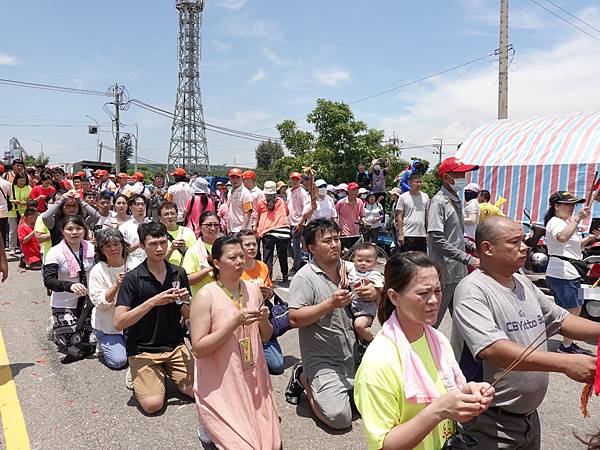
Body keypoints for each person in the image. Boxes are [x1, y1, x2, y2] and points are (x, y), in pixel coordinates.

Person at [451, 216, 600, 449]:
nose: (524, 247)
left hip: (528, 419)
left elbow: (561, 320)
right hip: (488, 421)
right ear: (487, 249)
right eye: (514, 242)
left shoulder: (521, 281)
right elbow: (493, 349)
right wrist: (565, 363)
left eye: (523, 240)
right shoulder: (472, 290)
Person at [354, 251, 493, 450]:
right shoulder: (379, 362)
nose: (434, 300)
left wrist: (467, 392)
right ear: (394, 297)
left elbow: (444, 391)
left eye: (437, 290)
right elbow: (383, 445)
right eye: (423, 293)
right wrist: (438, 411)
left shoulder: (437, 339)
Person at [286, 218, 380, 429]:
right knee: (339, 418)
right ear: (311, 248)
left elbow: (383, 289)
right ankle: (303, 377)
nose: (335, 244)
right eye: (327, 241)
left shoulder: (353, 268)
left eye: (336, 239)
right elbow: (294, 318)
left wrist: (376, 292)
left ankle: (344, 388)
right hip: (323, 360)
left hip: (354, 355)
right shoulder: (305, 277)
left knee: (381, 407)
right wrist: (329, 304)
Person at [190, 235, 281, 449]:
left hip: (251, 373)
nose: (240, 261)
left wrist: (266, 320)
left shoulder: (252, 289)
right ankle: (209, 423)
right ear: (216, 263)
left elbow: (265, 336)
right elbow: (199, 348)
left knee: (272, 444)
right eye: (232, 258)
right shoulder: (205, 296)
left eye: (242, 256)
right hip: (221, 377)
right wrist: (234, 323)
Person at [114, 221, 193, 414]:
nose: (159, 248)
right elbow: (118, 322)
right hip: (143, 349)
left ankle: (162, 371)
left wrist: (184, 302)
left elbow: (189, 316)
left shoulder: (178, 273)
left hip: (174, 345)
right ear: (141, 246)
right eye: (152, 244)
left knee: (196, 391)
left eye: (163, 242)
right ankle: (141, 373)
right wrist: (152, 302)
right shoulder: (133, 278)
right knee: (153, 405)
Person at [544, 191, 599, 354]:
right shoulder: (556, 222)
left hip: (567, 271)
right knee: (573, 310)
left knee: (570, 309)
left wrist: (589, 238)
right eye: (568, 204)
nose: (572, 207)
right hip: (563, 272)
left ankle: (568, 343)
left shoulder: (564, 222)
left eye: (573, 204)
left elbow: (572, 247)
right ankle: (566, 345)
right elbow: (562, 238)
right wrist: (577, 219)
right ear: (557, 206)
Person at [427, 157, 479, 327]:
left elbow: (455, 235)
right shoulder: (439, 202)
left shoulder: (456, 200)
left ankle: (457, 354)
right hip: (445, 273)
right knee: (432, 322)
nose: (463, 177)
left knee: (463, 322)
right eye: (458, 174)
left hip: (459, 272)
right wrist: (469, 259)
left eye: (464, 173)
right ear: (446, 177)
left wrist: (471, 246)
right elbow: (436, 239)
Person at [43, 215, 96, 363]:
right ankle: (55, 327)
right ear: (62, 231)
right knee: (71, 342)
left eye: (78, 228)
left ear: (84, 230)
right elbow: (49, 281)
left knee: (93, 339)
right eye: (70, 229)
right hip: (64, 302)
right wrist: (69, 285)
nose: (74, 232)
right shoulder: (55, 252)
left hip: (89, 302)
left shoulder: (92, 248)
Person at [238, 230, 285, 375]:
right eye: (247, 245)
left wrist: (268, 293)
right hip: (244, 323)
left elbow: (269, 290)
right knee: (247, 367)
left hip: (263, 320)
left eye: (254, 244)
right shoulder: (236, 269)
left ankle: (261, 346)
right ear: (239, 248)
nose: (252, 247)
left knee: (277, 366)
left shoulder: (262, 266)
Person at [88, 228, 130, 370]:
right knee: (119, 361)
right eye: (108, 246)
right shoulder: (97, 271)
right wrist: (116, 286)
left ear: (123, 245)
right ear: (101, 249)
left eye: (116, 244)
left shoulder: (135, 263)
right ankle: (101, 340)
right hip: (109, 325)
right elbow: (99, 303)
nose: (113, 249)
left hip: (134, 322)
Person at [348, 243, 384, 351]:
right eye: (359, 260)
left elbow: (382, 291)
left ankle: (371, 341)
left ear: (375, 262)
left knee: (359, 325)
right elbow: (339, 263)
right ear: (354, 260)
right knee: (357, 331)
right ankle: (363, 345)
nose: (363, 264)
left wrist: (375, 290)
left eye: (368, 261)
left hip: (366, 307)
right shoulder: (353, 270)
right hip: (353, 305)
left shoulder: (374, 275)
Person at [256, 180, 291, 282]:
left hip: (267, 233)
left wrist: (257, 229)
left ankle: (268, 279)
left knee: (267, 257)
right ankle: (285, 276)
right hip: (283, 232)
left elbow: (257, 217)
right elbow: (287, 212)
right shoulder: (280, 201)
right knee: (282, 255)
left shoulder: (261, 202)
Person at [183, 211, 220, 297]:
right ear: (200, 227)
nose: (213, 228)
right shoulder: (193, 251)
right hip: (201, 298)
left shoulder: (226, 247)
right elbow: (188, 280)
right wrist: (209, 269)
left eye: (216, 225)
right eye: (208, 225)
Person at [396, 172, 429, 253]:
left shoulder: (425, 197)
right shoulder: (403, 197)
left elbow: (427, 216)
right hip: (408, 234)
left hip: (421, 234)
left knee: (421, 261)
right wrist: (400, 234)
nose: (419, 184)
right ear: (410, 183)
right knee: (407, 261)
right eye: (416, 182)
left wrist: (428, 232)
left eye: (420, 182)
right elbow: (399, 216)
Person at [286, 171, 312, 275]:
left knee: (296, 245)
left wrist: (301, 221)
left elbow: (306, 207)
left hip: (298, 222)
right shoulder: (289, 191)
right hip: (288, 221)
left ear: (300, 180)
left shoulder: (303, 192)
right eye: (293, 179)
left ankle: (296, 266)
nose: (294, 181)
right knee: (288, 246)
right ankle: (299, 262)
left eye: (297, 179)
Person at [159, 201, 197, 266]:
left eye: (173, 213)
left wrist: (185, 249)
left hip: (185, 272)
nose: (170, 216)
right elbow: (157, 262)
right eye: (166, 214)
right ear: (160, 217)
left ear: (177, 215)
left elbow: (195, 256)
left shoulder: (188, 232)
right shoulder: (157, 235)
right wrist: (171, 249)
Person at [118, 194, 149, 269]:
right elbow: (122, 251)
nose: (141, 207)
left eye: (143, 204)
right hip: (132, 266)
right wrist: (138, 244)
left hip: (150, 265)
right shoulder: (124, 227)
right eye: (137, 204)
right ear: (130, 207)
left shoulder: (152, 225)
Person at [336, 182, 365, 249]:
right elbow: (334, 215)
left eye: (357, 190)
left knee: (356, 251)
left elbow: (362, 215)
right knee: (347, 251)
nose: (356, 192)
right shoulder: (341, 203)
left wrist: (365, 222)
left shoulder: (360, 202)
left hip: (356, 230)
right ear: (348, 191)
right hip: (344, 231)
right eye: (353, 190)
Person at [8, 172, 32, 255]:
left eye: (24, 180)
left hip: (24, 212)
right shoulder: (11, 187)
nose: (22, 182)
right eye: (20, 180)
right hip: (12, 212)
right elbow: (7, 199)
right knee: (13, 230)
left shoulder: (28, 188)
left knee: (22, 230)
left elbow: (31, 200)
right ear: (16, 180)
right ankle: (12, 247)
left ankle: (22, 247)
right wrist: (15, 201)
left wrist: (25, 203)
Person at [226, 167, 253, 234]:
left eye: (237, 177)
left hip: (240, 230)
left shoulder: (245, 193)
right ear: (229, 178)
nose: (235, 180)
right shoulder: (230, 191)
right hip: (231, 229)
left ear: (242, 178)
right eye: (232, 177)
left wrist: (242, 230)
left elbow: (248, 213)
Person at [0, 167, 12, 250]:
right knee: (3, 231)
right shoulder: (7, 184)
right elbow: (9, 196)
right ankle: (3, 250)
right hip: (2, 210)